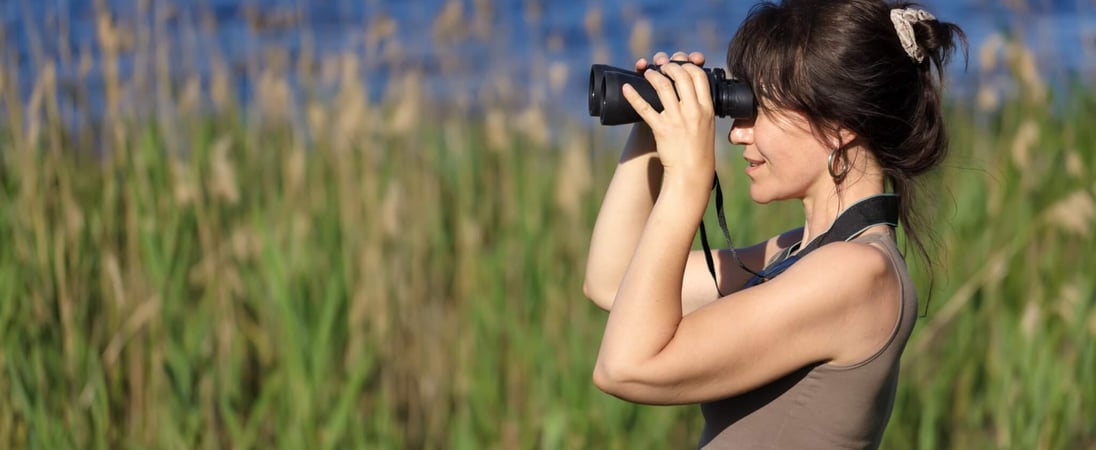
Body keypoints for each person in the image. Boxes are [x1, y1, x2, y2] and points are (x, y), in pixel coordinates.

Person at [582, 1, 965, 448]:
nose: (737, 133)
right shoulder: (801, 255)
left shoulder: (857, 273)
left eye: (758, 109)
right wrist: (652, 121)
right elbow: (612, 281)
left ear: (839, 126)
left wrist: (687, 181)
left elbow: (626, 366)